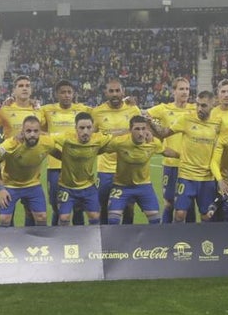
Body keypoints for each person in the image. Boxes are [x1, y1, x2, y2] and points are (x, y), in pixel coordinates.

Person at [147, 90, 221, 222]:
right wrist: (150, 122)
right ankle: (176, 235)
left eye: (203, 105)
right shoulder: (186, 119)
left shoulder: (218, 123)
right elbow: (164, 133)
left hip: (207, 177)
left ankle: (205, 236)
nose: (199, 108)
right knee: (180, 214)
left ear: (212, 105)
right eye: (197, 104)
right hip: (186, 175)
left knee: (206, 216)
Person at [103, 115, 179, 225]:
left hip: (144, 185)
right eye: (137, 129)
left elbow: (166, 151)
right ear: (130, 130)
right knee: (113, 220)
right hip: (121, 186)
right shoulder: (119, 142)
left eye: (143, 129)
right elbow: (101, 148)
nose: (141, 133)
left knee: (155, 220)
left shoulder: (153, 143)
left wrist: (182, 156)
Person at [146, 76, 197, 223]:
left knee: (189, 203)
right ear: (173, 91)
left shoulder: (194, 109)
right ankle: (166, 233)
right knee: (169, 203)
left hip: (189, 165)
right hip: (171, 164)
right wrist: (159, 143)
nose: (185, 92)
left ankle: (191, 233)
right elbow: (144, 117)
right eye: (181, 89)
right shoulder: (164, 109)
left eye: (187, 89)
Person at [40, 80, 91, 225]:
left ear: (74, 94)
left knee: (78, 206)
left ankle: (79, 234)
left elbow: (102, 113)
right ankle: (57, 235)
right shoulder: (46, 110)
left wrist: (127, 102)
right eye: (63, 92)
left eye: (69, 92)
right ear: (56, 94)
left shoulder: (83, 109)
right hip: (55, 165)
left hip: (77, 165)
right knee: (56, 205)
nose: (66, 95)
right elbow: (34, 123)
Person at [0, 75, 44, 226]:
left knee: (31, 212)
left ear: (31, 89)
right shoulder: (5, 110)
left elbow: (46, 133)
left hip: (31, 172)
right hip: (9, 173)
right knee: (6, 217)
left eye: (27, 85)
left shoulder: (39, 111)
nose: (24, 88)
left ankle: (27, 238)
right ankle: (9, 239)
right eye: (21, 86)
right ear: (14, 90)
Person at [90, 78, 141, 222]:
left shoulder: (133, 109)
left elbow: (139, 133)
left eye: (117, 91)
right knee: (103, 205)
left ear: (123, 92)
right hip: (105, 169)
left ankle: (126, 235)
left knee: (129, 207)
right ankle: (104, 235)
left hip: (127, 167)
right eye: (111, 91)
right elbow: (92, 137)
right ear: (106, 93)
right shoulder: (97, 112)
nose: (114, 94)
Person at [50, 111, 110, 226]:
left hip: (88, 186)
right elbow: (46, 140)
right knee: (64, 218)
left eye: (89, 128)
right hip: (67, 187)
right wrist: (60, 155)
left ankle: (93, 237)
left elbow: (116, 139)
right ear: (76, 128)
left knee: (95, 216)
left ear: (93, 128)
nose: (85, 131)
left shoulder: (98, 139)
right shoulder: (66, 138)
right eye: (81, 128)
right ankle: (63, 237)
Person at [0, 116, 53, 227]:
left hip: (33, 184)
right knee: (4, 219)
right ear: (22, 131)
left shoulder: (47, 142)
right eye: (28, 131)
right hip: (10, 185)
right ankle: (7, 238)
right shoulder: (10, 145)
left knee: (42, 217)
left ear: (40, 132)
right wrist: (1, 189)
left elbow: (56, 151)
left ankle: (33, 237)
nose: (32, 134)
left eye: (36, 131)